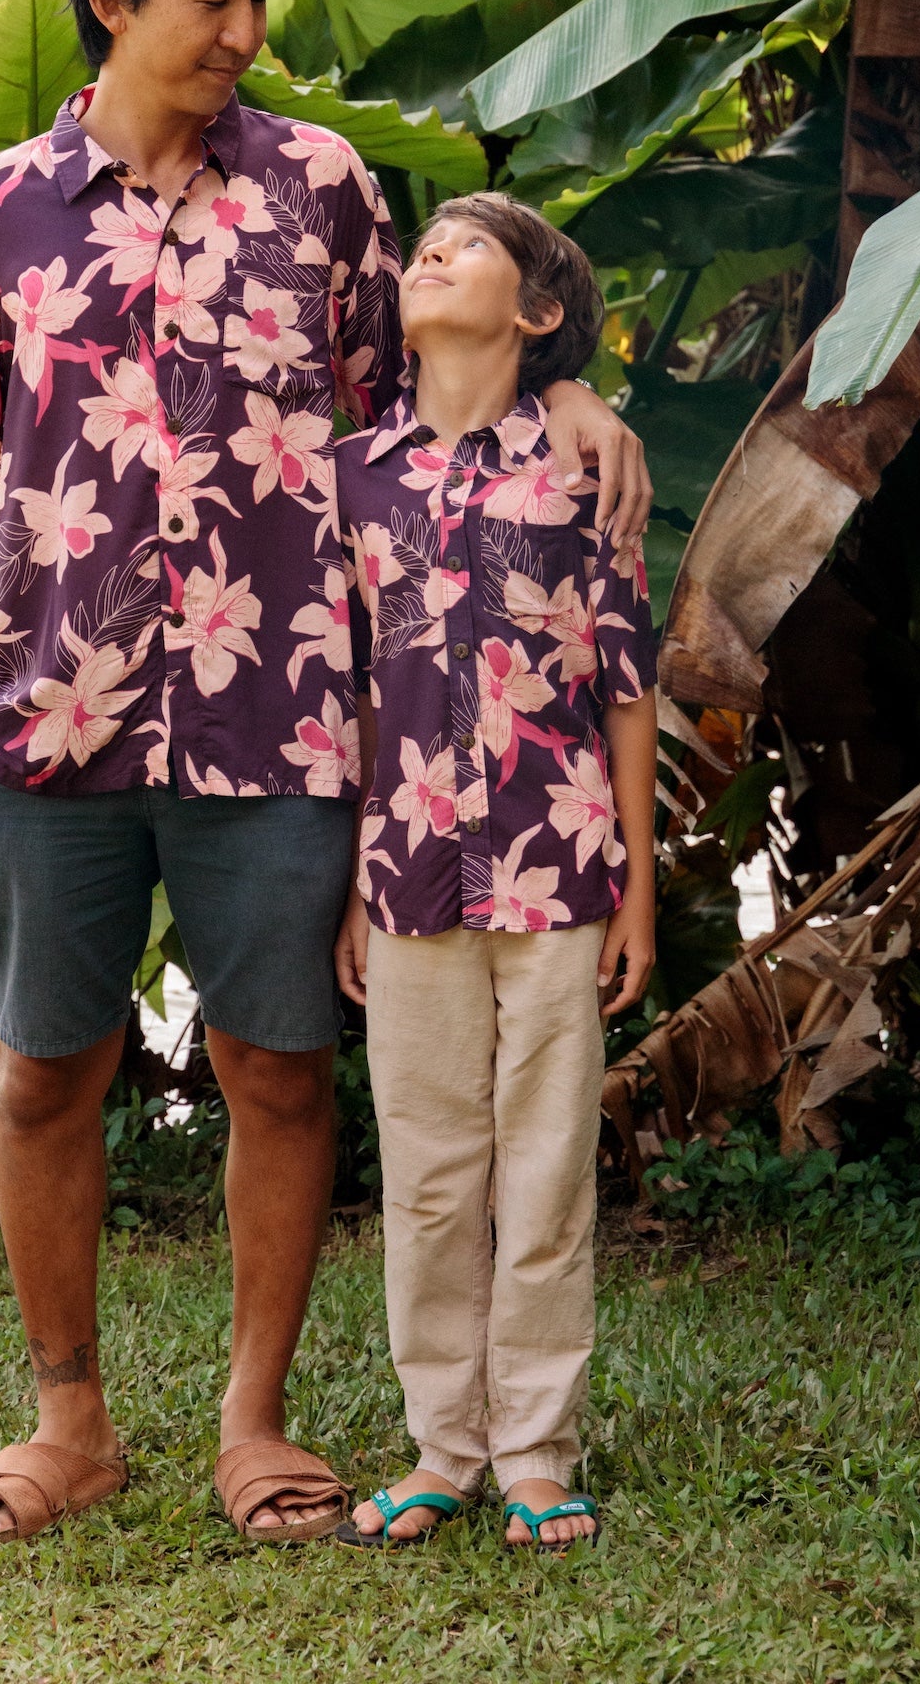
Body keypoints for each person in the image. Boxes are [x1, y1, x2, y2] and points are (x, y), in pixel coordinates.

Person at [0, 0, 654, 1546]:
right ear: (109, 1)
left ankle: (255, 1423)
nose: (246, 26)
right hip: (51, 715)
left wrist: (582, 397)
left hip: (290, 712)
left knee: (281, 1071)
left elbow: (437, 413)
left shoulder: (326, 190)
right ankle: (69, 1422)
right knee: (43, 1071)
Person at [332, 192, 657, 1553]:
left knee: (543, 1170)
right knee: (426, 1171)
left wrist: (638, 881)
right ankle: (439, 1449)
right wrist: (352, 878)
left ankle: (536, 1453)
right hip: (405, 867)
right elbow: (344, 686)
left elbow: (627, 680)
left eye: (470, 247)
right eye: (427, 245)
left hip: (561, 863)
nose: (433, 254)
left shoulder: (592, 472)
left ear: (534, 313)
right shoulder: (352, 474)